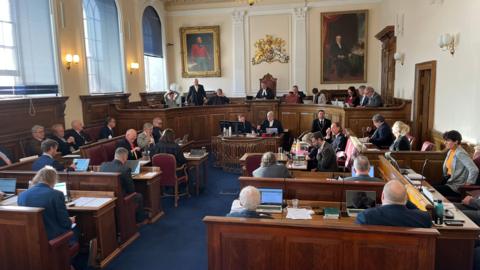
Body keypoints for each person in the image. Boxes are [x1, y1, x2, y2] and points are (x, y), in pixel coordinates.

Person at [18, 166, 76, 241]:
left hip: (30, 238)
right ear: (54, 180)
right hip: (53, 239)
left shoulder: (22, 195)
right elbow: (65, 223)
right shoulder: (56, 194)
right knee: (76, 229)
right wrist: (70, 220)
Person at [356, 180, 432, 228]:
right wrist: (405, 201)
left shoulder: (365, 216)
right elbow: (419, 212)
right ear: (405, 199)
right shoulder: (425, 218)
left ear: (382, 196)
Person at [100, 148, 147, 223]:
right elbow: (131, 190)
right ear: (124, 157)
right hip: (121, 199)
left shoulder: (103, 165)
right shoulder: (125, 169)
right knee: (139, 196)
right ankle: (140, 220)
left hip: (107, 197)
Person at [433, 130, 479, 198]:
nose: (445, 142)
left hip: (455, 186)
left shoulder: (460, 153)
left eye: (448, 140)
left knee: (432, 190)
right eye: (445, 140)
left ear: (456, 142)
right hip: (448, 180)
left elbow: (474, 169)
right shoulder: (451, 151)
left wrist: (467, 184)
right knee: (428, 187)